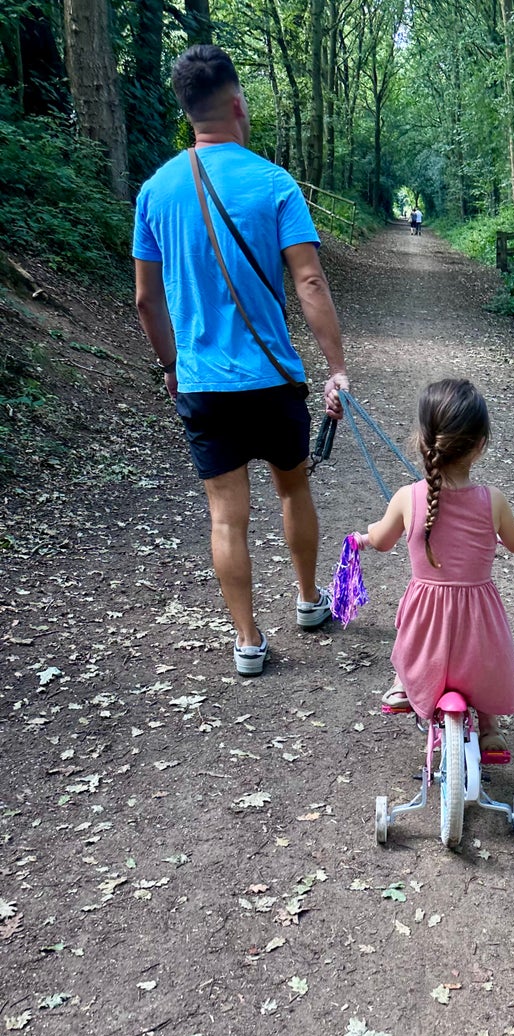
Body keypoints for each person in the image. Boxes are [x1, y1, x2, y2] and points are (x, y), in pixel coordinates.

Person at [132, 44, 350, 676]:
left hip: (202, 381)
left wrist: (172, 367)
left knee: (226, 512)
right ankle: (309, 602)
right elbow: (309, 283)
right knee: (294, 485)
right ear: (236, 104)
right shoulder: (274, 183)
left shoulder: (155, 191)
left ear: (186, 111)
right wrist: (335, 365)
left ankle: (248, 642)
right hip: (272, 377)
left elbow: (147, 300)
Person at [355, 378, 514, 764]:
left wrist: (361, 540)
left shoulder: (407, 497)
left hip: (428, 612)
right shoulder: (492, 500)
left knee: (412, 645)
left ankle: (406, 687)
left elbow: (382, 538)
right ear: (480, 445)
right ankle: (490, 728)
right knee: (485, 663)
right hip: (478, 613)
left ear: (423, 441)